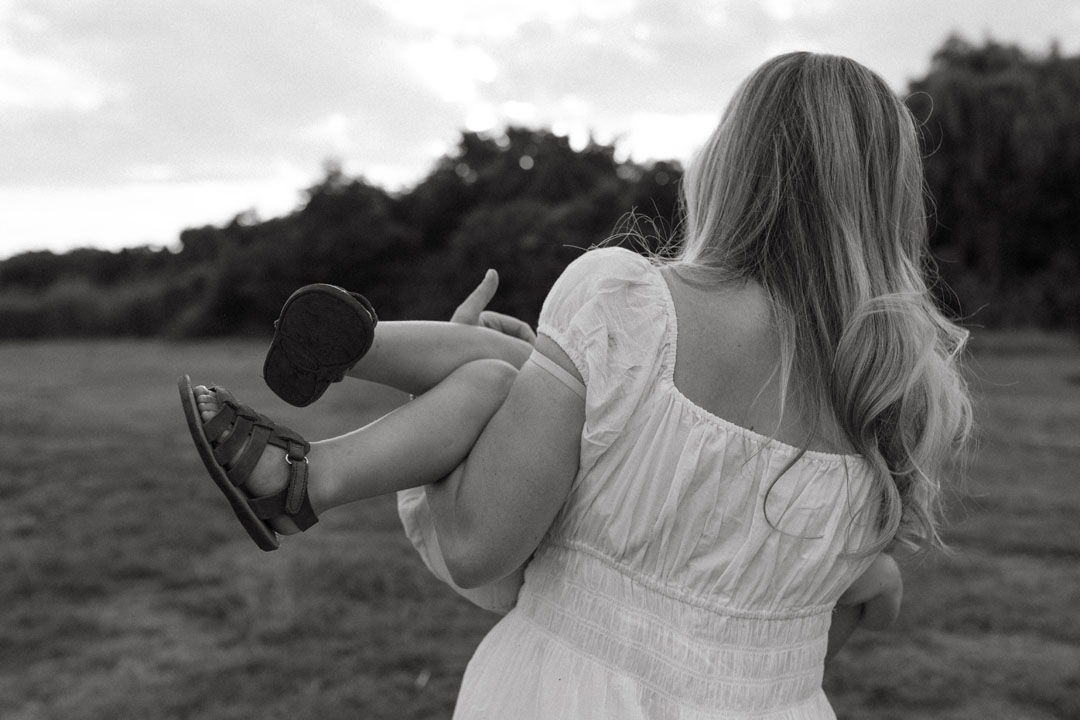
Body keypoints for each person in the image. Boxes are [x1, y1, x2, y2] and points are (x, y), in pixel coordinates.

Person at [179, 51, 972, 718]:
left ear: (732, 164)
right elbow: (866, 592)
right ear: (888, 199)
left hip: (570, 697)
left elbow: (476, 545)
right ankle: (331, 421)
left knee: (491, 377)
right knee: (518, 370)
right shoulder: (902, 395)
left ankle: (323, 449)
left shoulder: (629, 300)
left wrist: (466, 423)